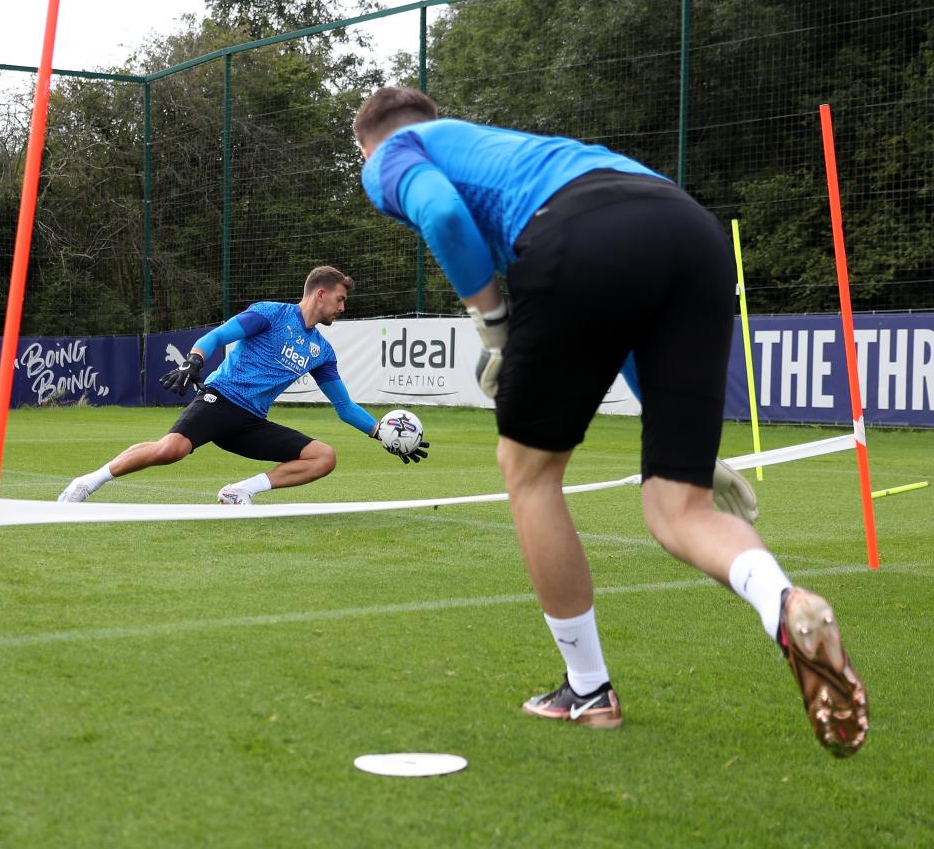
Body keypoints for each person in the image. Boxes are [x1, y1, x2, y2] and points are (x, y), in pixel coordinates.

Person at [351, 87, 866, 758]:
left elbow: (443, 213)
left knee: (529, 474)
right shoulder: (518, 149)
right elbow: (625, 302)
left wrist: (494, 322)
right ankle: (786, 604)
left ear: (368, 144)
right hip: (691, 231)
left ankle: (589, 690)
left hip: (576, 233)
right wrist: (684, 441)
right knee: (680, 506)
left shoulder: (391, 152)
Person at [57, 265, 429, 506]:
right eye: (340, 299)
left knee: (324, 457)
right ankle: (88, 482)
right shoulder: (270, 314)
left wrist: (379, 432)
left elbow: (344, 407)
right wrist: (194, 360)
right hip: (220, 399)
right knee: (170, 449)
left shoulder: (322, 351)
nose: (342, 307)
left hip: (251, 422)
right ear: (320, 293)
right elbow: (218, 336)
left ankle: (240, 492)